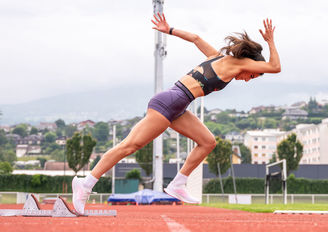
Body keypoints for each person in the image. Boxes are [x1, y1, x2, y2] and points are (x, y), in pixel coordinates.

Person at [72, 13, 281, 214]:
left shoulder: (217, 57)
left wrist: (169, 29)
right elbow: (275, 66)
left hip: (179, 106)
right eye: (252, 76)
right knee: (130, 145)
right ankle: (86, 184)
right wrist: (271, 41)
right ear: (251, 62)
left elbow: (196, 38)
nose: (247, 79)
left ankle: (178, 184)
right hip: (169, 102)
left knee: (208, 142)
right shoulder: (240, 63)